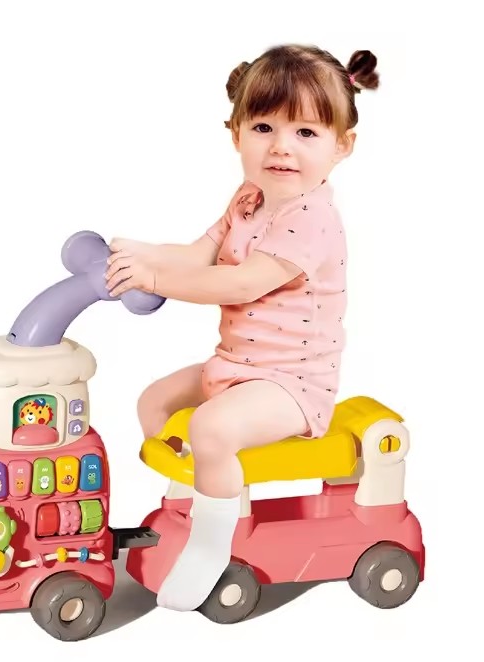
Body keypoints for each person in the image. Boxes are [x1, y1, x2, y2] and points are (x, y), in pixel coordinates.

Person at [104, 44, 379, 612]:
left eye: (306, 132)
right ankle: (191, 500)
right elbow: (198, 254)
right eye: (263, 127)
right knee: (154, 401)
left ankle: (211, 544)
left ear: (342, 146)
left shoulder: (312, 219)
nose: (281, 146)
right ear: (235, 135)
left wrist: (154, 278)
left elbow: (239, 284)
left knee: (210, 427)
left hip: (292, 385)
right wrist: (137, 253)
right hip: (235, 366)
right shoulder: (249, 198)